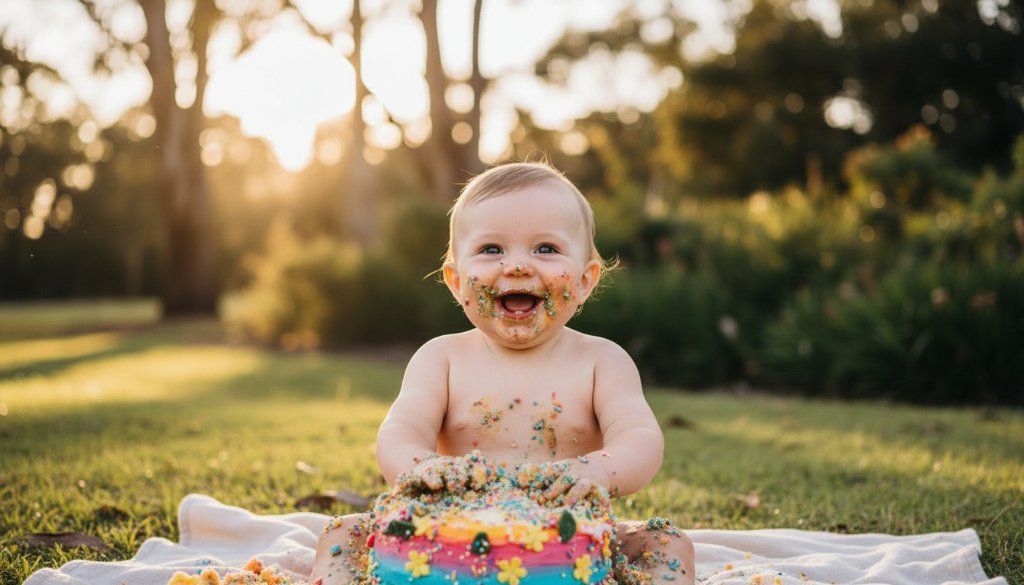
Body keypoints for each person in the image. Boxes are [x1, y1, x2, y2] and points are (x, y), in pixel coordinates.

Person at [310, 162, 695, 585]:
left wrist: (597, 471)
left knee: (667, 543)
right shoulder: (441, 358)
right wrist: (417, 467)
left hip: (566, 536)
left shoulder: (602, 361)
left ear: (585, 281)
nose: (516, 266)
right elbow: (401, 428)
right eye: (492, 249)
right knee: (341, 532)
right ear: (456, 281)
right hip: (448, 535)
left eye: (545, 248)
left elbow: (640, 439)